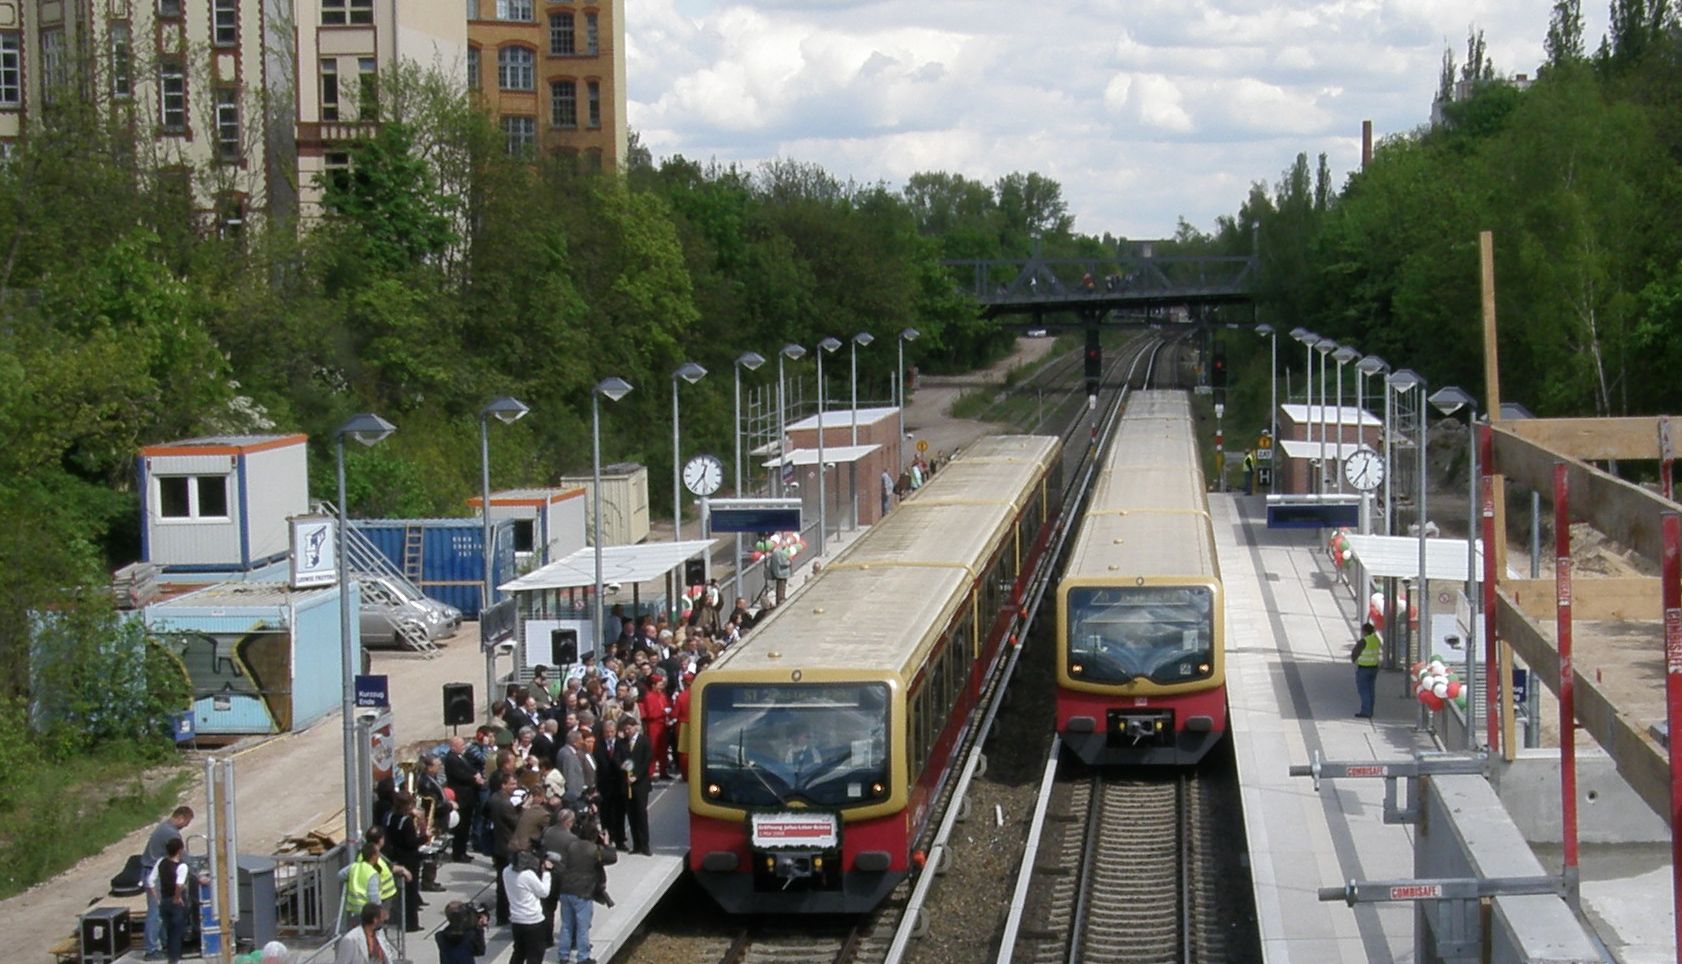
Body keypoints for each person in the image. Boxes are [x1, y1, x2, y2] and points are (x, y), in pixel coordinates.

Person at [549, 808, 616, 964]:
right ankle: (583, 957)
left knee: (566, 924)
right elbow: (612, 858)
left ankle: (563, 955)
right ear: (595, 835)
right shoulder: (594, 850)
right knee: (582, 926)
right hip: (582, 892)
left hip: (566, 889)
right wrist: (607, 844)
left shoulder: (571, 846)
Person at [141, 805, 193, 959]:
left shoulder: (164, 827)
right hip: (153, 872)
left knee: (162, 912)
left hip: (152, 870)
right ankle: (151, 950)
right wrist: (195, 871)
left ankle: (164, 943)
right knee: (155, 912)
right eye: (186, 822)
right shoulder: (170, 833)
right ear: (180, 818)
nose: (186, 826)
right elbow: (182, 855)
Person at [380, 793, 426, 932]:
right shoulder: (405, 821)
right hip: (409, 859)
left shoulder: (388, 817)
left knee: (397, 892)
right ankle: (411, 924)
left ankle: (396, 918)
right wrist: (425, 838)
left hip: (393, 856)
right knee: (410, 892)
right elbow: (411, 843)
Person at [146, 836, 191, 964]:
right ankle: (174, 960)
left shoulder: (161, 862)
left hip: (164, 901)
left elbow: (150, 881)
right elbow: (179, 884)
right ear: (180, 850)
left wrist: (157, 897)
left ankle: (171, 958)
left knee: (169, 932)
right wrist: (177, 897)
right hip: (176, 902)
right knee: (177, 934)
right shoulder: (182, 866)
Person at [503, 850, 552, 964]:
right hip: (533, 920)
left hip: (516, 919)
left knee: (519, 952)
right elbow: (544, 892)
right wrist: (546, 873)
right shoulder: (527, 875)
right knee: (535, 954)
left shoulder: (506, 872)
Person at [485, 771, 520, 925]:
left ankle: (502, 914)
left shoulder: (493, 798)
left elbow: (484, 812)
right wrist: (522, 809)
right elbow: (516, 823)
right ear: (503, 785)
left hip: (498, 844)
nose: (515, 787)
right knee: (505, 884)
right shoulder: (505, 803)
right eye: (512, 784)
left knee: (501, 882)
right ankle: (503, 915)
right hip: (506, 846)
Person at [614, 717, 653, 855]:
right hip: (626, 783)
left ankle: (645, 844)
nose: (627, 731)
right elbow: (617, 759)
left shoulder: (644, 741)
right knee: (631, 814)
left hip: (640, 783)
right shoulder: (621, 743)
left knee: (641, 813)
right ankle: (636, 844)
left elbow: (647, 760)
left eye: (629, 728)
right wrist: (625, 769)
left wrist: (636, 775)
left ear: (635, 727)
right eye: (625, 729)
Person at [1351, 621, 1383, 718]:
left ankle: (1366, 711)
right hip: (1374, 668)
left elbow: (1354, 654)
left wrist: (1355, 661)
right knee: (1371, 690)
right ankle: (1370, 709)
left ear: (1364, 631)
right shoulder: (1376, 640)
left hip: (1363, 668)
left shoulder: (1363, 641)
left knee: (1364, 690)